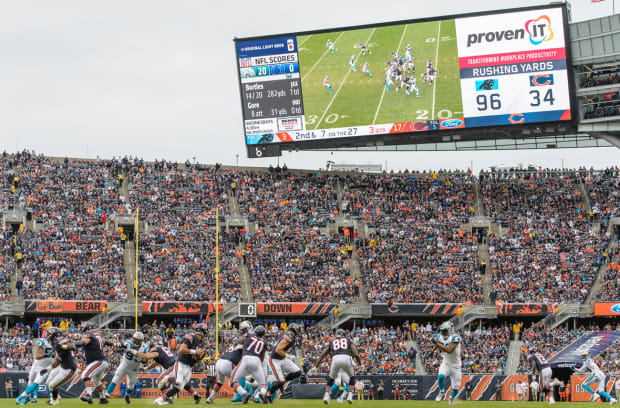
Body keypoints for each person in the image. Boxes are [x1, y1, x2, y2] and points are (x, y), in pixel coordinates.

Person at [154, 323, 208, 405]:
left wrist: (199, 358)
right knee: (179, 383)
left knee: (180, 386)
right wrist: (195, 352)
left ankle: (161, 399)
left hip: (189, 366)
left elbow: (197, 359)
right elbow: (181, 349)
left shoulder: (201, 343)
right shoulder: (191, 337)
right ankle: (168, 379)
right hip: (181, 364)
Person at [137, 335, 201, 400]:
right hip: (176, 364)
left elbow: (147, 357)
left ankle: (167, 399)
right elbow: (155, 363)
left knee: (159, 381)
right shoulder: (161, 349)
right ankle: (195, 394)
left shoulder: (155, 350)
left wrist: (139, 354)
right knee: (181, 383)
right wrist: (146, 368)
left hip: (172, 366)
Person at [61, 322, 109, 404]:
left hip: (98, 361)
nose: (81, 329)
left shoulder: (88, 334)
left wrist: (72, 344)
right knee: (97, 382)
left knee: (85, 375)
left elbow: (82, 342)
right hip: (100, 361)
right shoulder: (97, 336)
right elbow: (106, 342)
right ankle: (103, 399)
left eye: (83, 327)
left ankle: (89, 395)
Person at [206, 320, 252, 404]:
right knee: (237, 379)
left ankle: (210, 398)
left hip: (220, 361)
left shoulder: (236, 341)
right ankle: (243, 394)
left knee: (220, 382)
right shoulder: (246, 340)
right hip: (228, 363)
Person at [314, 328, 363, 404]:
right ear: (344, 335)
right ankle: (349, 395)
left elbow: (322, 354)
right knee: (351, 377)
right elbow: (356, 354)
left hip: (335, 359)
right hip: (346, 358)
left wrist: (316, 366)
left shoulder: (332, 341)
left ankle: (326, 395)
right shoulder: (348, 341)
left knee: (331, 379)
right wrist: (361, 364)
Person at [103, 332, 149, 404]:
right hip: (124, 365)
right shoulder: (128, 343)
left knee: (131, 385)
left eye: (138, 340)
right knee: (115, 379)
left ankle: (127, 396)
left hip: (134, 368)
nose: (136, 342)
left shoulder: (145, 347)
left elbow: (146, 360)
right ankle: (106, 396)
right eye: (135, 340)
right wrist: (119, 349)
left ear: (141, 341)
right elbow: (122, 348)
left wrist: (141, 359)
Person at [16, 326, 56, 405]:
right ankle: (27, 398)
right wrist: (47, 355)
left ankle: (22, 397)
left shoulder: (57, 343)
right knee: (30, 382)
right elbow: (38, 356)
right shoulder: (42, 341)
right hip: (37, 364)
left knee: (37, 382)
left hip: (45, 367)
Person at [230, 325, 269, 404]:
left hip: (245, 358)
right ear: (263, 334)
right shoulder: (264, 342)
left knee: (234, 381)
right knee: (263, 384)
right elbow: (264, 353)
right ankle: (262, 393)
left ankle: (244, 393)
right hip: (257, 360)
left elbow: (242, 337)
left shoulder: (249, 335)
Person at [266, 323, 302, 400]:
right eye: (298, 330)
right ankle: (268, 394)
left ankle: (281, 383)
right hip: (275, 360)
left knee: (298, 372)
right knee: (280, 381)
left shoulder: (291, 337)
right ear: (294, 330)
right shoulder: (288, 337)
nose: (299, 332)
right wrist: (288, 356)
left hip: (282, 359)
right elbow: (278, 350)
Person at [47, 327, 78, 406]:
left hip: (69, 369)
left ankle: (54, 401)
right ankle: (55, 396)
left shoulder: (58, 342)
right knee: (49, 382)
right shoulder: (56, 343)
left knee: (52, 385)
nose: (47, 335)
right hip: (62, 367)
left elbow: (72, 346)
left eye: (49, 334)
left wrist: (49, 367)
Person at [434, 321, 461, 405]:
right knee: (441, 376)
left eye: (445, 330)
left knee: (455, 389)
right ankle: (441, 391)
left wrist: (436, 343)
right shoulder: (440, 337)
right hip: (446, 362)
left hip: (456, 365)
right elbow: (439, 343)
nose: (443, 332)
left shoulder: (455, 338)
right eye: (442, 331)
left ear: (450, 330)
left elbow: (449, 350)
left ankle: (451, 398)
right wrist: (432, 350)